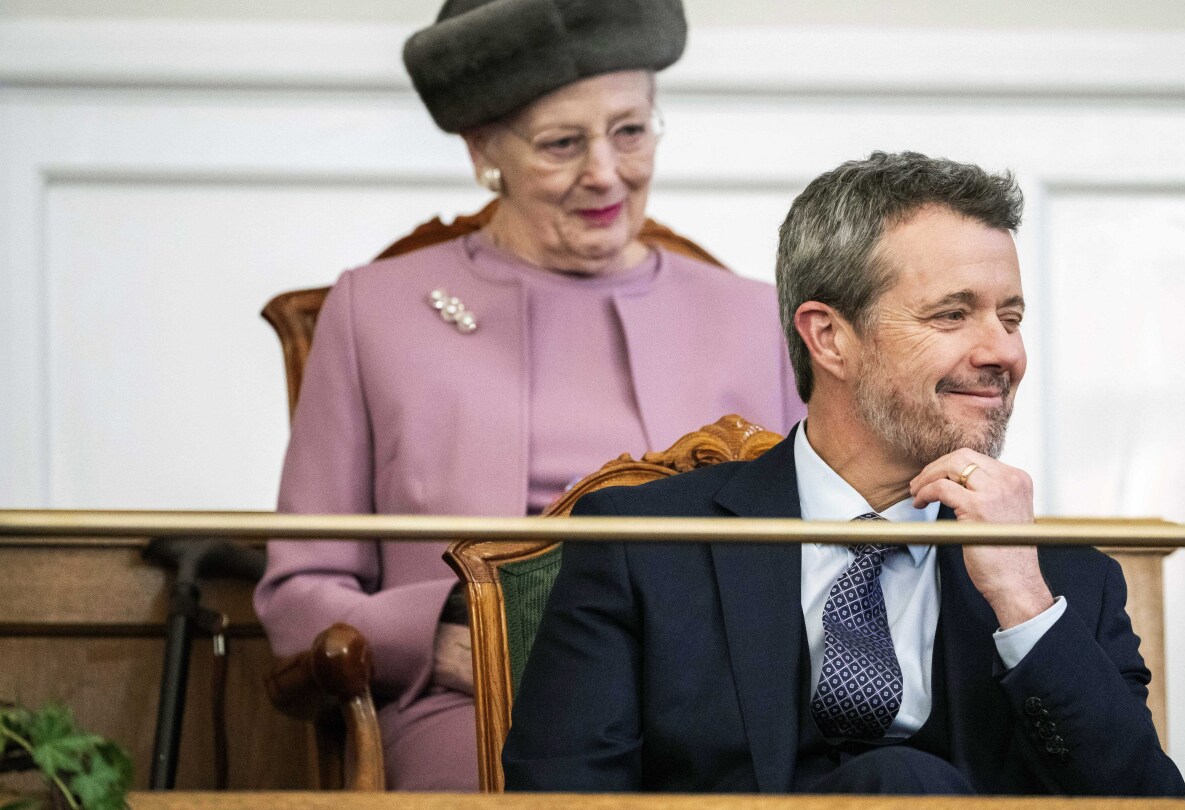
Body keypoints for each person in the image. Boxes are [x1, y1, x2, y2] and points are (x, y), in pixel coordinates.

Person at [504, 151, 1185, 796]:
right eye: (953, 314)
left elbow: (1147, 808)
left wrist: (1023, 604)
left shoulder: (1066, 584)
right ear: (829, 336)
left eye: (1011, 318)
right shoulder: (645, 545)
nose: (1004, 352)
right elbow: (561, 800)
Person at [253, 0, 804, 791]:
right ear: (483, 150)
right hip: (476, 709)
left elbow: (823, 550)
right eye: (561, 144)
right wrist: (431, 637)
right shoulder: (372, 311)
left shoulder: (757, 316)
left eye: (630, 130)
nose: (605, 173)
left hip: (717, 720)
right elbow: (298, 591)